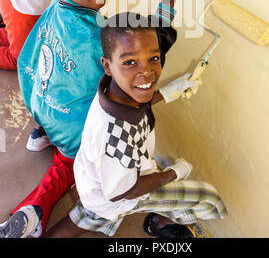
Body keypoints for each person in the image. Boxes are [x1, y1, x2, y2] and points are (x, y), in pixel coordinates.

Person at [0, 0, 198, 238]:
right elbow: (144, 51)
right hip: (71, 126)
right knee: (68, 164)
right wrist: (167, 2)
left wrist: (41, 111)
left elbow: (30, 56)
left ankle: (42, 136)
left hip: (40, 103)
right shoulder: (97, 37)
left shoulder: (57, 8)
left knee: (62, 129)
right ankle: (35, 210)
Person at [43, 12, 227, 239]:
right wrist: (173, 173)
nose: (147, 71)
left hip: (95, 182)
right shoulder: (118, 136)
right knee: (206, 197)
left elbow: (135, 101)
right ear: (107, 65)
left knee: (86, 216)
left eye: (154, 58)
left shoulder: (112, 87)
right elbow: (124, 191)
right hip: (119, 193)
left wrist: (168, 92)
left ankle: (153, 218)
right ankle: (162, 223)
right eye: (130, 62)